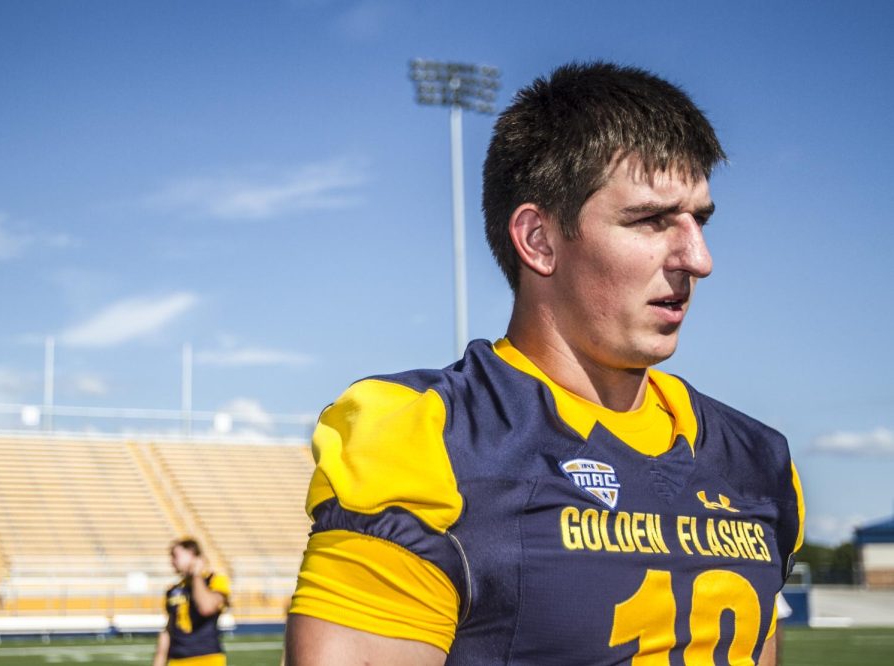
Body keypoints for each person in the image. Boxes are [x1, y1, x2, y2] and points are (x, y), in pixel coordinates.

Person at [285, 61, 805, 665]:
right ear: (539, 240)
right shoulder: (432, 441)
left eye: (699, 220)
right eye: (650, 220)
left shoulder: (756, 458)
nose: (699, 258)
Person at [153, 538, 231, 666]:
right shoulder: (173, 589)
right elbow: (169, 630)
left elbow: (206, 608)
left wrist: (196, 574)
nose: (172, 561)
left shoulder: (215, 580)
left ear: (192, 554)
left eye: (175, 555)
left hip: (207, 659)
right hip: (177, 660)